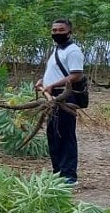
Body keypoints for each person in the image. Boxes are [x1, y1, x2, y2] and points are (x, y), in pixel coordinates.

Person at [35, 19, 84, 185]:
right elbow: (56, 71)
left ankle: (69, 175)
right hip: (52, 97)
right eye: (54, 30)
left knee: (65, 135)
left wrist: (52, 85)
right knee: (53, 134)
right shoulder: (58, 50)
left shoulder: (73, 51)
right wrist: (43, 81)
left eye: (61, 30)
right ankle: (58, 172)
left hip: (64, 96)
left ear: (70, 32)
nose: (57, 33)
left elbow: (76, 74)